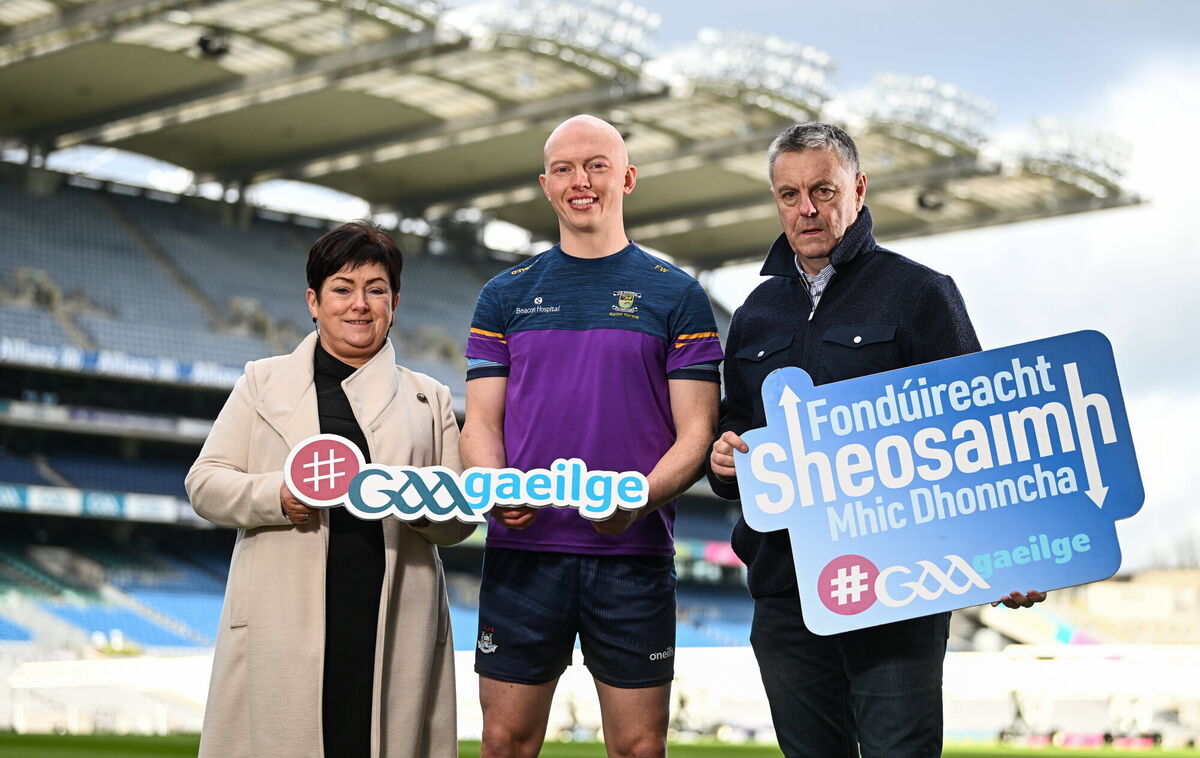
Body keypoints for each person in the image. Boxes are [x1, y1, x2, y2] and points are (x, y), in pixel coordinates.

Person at [706, 122, 1045, 758]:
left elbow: (978, 431)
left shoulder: (920, 293)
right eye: (788, 194)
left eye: (823, 190)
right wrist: (725, 459)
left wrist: (1009, 551)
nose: (806, 209)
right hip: (786, 589)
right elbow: (736, 426)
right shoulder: (753, 313)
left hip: (900, 583)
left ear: (858, 190)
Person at [461, 114, 723, 758]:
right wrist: (492, 488)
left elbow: (697, 435)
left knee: (638, 748)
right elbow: (481, 424)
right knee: (503, 742)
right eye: (564, 169)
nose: (581, 181)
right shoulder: (504, 296)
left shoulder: (678, 296)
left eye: (597, 165)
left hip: (632, 556)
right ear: (546, 186)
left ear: (627, 178)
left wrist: (638, 499)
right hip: (524, 551)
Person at [185, 221, 473, 758]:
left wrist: (420, 506)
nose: (359, 304)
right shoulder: (261, 382)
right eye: (342, 288)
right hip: (282, 617)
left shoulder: (429, 398)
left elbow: (459, 520)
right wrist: (279, 496)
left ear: (395, 301)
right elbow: (205, 483)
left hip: (393, 618)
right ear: (313, 301)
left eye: (376, 289)